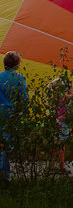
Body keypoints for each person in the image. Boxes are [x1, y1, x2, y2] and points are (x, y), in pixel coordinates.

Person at [0, 51, 27, 187]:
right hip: (11, 117)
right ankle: (5, 177)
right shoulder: (20, 78)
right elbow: (24, 99)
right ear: (17, 63)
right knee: (6, 148)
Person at [47, 77, 73, 174]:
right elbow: (72, 97)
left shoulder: (54, 96)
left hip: (56, 122)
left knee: (55, 144)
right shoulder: (62, 95)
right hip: (62, 123)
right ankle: (62, 167)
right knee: (62, 146)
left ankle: (52, 165)